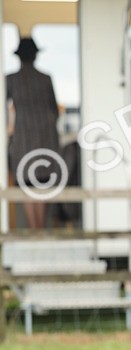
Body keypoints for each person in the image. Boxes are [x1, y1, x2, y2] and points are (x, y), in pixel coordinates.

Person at [5, 36, 62, 230]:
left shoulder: (11, 79)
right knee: (43, 183)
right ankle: (40, 229)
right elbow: (54, 110)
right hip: (46, 138)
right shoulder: (45, 79)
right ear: (35, 56)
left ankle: (34, 229)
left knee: (26, 183)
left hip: (23, 139)